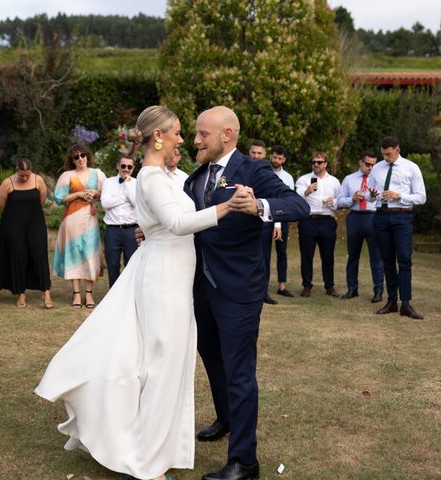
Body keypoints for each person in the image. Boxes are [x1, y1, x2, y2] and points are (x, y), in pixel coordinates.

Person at [36, 105, 246, 480]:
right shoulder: (148, 177)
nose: (184, 139)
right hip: (162, 277)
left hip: (174, 273)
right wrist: (227, 206)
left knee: (170, 365)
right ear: (159, 136)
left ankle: (158, 449)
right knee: (161, 366)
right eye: (178, 132)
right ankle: (146, 460)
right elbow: (179, 223)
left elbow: (166, 218)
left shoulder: (169, 175)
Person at [187, 107, 310, 480]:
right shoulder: (197, 175)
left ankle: (244, 461)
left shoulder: (253, 169)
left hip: (239, 288)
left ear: (227, 135)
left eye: (202, 134)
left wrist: (258, 206)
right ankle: (226, 419)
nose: (196, 140)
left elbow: (299, 206)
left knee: (240, 371)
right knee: (212, 357)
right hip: (199, 286)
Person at [371, 136, 426, 319]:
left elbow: (421, 197)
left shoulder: (411, 168)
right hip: (381, 216)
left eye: (388, 154)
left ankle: (406, 304)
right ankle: (392, 301)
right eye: (383, 154)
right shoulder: (377, 168)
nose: (386, 158)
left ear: (397, 149)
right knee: (387, 260)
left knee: (404, 260)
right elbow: (370, 196)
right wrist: (371, 195)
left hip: (402, 217)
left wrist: (399, 195)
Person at [0, 158, 52, 308]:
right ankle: (21, 293)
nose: (25, 178)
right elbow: (2, 205)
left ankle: (46, 292)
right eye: (22, 175)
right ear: (16, 170)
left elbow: (41, 200)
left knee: (39, 255)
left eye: (27, 175)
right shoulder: (7, 183)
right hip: (13, 225)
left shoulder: (38, 180)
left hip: (35, 223)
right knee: (18, 257)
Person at [52, 144, 106, 309]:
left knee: (90, 255)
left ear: (87, 156)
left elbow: (108, 194)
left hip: (90, 220)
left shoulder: (98, 173)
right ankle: (76, 294)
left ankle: (89, 294)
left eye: (82, 155)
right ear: (72, 160)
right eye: (76, 157)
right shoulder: (67, 175)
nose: (80, 159)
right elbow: (58, 198)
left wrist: (95, 194)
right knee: (73, 254)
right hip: (72, 220)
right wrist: (78, 194)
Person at [337, 152, 384, 302]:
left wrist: (373, 196)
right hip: (355, 217)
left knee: (376, 257)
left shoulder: (379, 180)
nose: (370, 167)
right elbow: (339, 201)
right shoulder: (349, 179)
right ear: (360, 163)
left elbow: (382, 198)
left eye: (373, 164)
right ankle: (352, 289)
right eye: (368, 164)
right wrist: (352, 199)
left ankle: (378, 291)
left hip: (373, 217)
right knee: (353, 255)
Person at [295, 152, 341, 298]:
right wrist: (306, 192)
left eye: (319, 162)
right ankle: (307, 286)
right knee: (307, 255)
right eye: (314, 162)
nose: (316, 164)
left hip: (327, 220)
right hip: (308, 220)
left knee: (328, 256)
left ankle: (330, 286)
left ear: (326, 164)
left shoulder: (334, 181)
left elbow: (340, 201)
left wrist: (333, 203)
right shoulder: (303, 180)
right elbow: (295, 199)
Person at [247, 140, 278, 305]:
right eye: (253, 153)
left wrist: (277, 224)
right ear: (249, 152)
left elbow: (275, 199)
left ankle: (263, 292)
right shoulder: (242, 171)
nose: (256, 156)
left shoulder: (269, 174)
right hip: (244, 223)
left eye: (259, 153)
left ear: (264, 155)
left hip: (265, 222)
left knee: (264, 257)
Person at [100, 157, 139, 287]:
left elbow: (136, 203)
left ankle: (128, 298)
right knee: (112, 265)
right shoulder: (108, 182)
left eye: (129, 167)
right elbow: (105, 203)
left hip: (132, 230)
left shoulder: (137, 183)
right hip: (113, 230)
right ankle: (112, 299)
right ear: (118, 166)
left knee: (131, 266)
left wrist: (127, 184)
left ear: (133, 168)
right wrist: (124, 197)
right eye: (123, 166)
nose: (126, 169)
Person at [269, 145, 296, 298]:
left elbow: (288, 201)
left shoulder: (288, 178)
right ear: (270, 156)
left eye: (280, 158)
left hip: (282, 218)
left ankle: (282, 286)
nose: (276, 160)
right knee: (264, 253)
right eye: (274, 157)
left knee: (282, 252)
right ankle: (262, 288)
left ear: (284, 159)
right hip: (264, 218)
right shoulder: (263, 173)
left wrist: (279, 222)